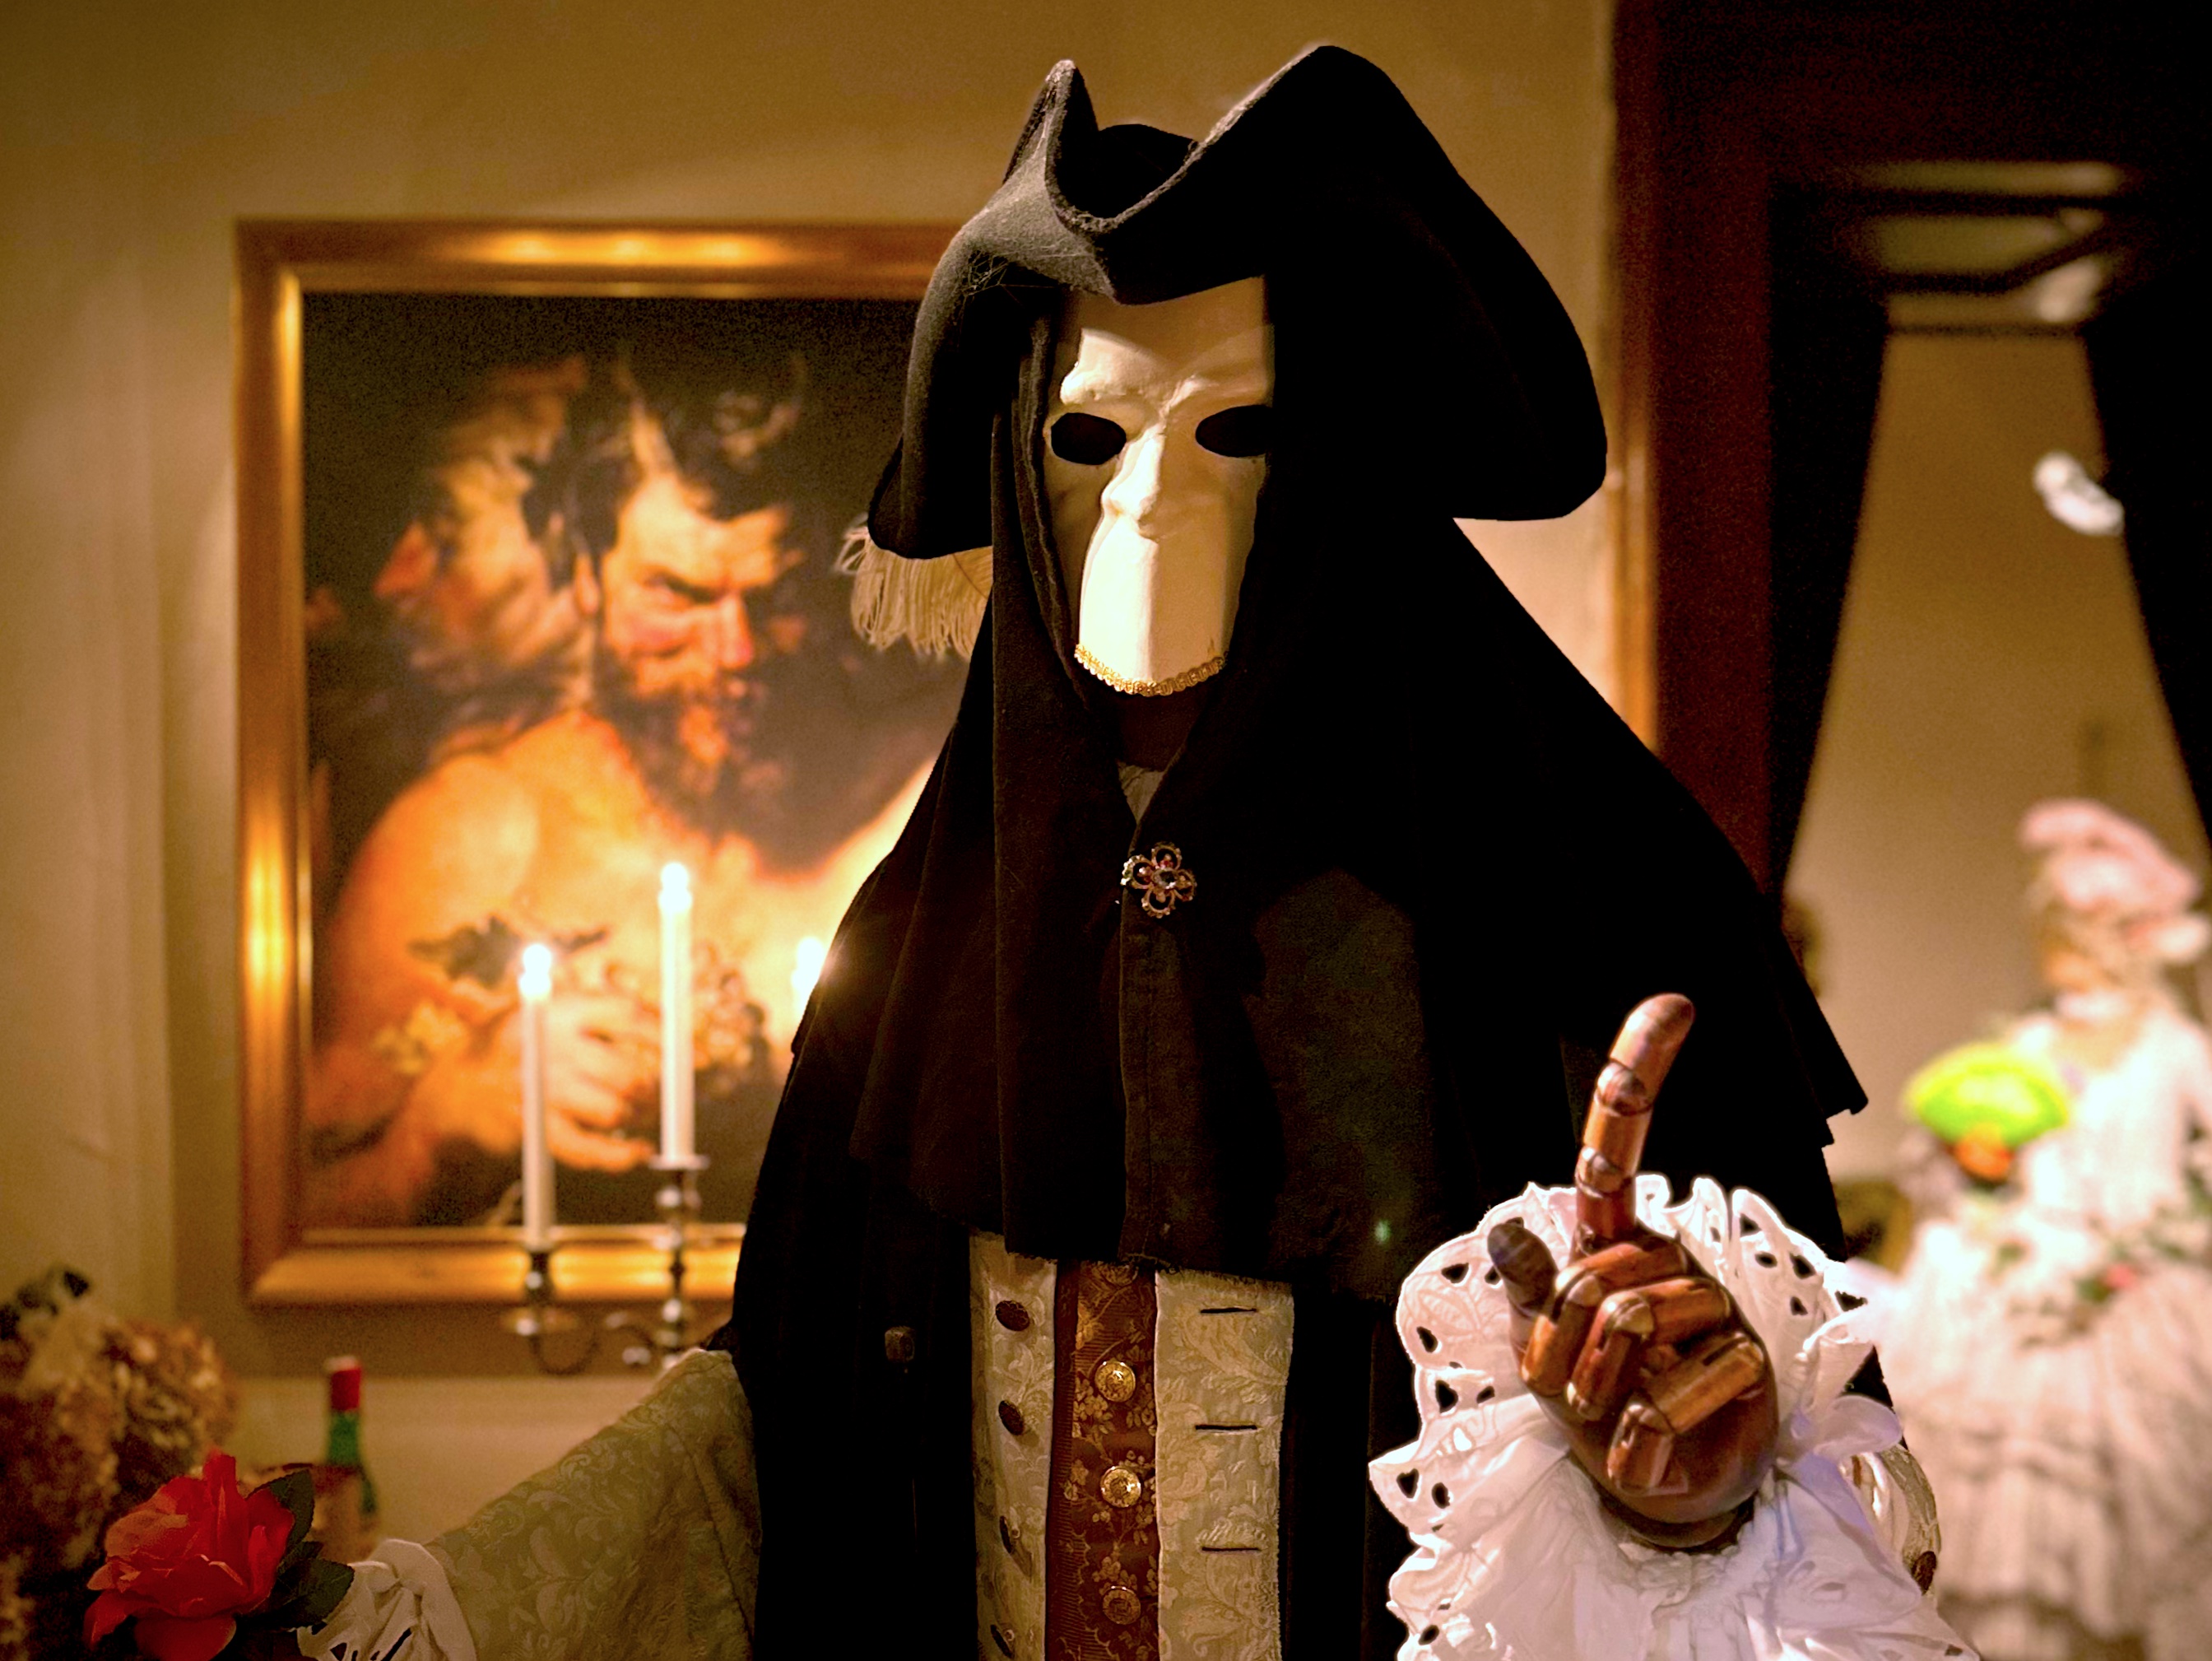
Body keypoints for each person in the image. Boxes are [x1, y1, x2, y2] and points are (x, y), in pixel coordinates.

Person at [718, 47, 1880, 1661]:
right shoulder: (923, 935)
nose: (1149, 503)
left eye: (1239, 428)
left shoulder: (1600, 900)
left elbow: (1812, 1507)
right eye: (1089, 436)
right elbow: (801, 1437)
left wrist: (1694, 1489)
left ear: (1344, 457)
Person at [303, 357, 926, 1228]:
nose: (736, 650)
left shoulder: (909, 799)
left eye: (773, 595)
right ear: (588, 578)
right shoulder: (475, 834)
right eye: (678, 593)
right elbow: (304, 1214)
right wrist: (438, 1127)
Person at [1880, 799, 2212, 1661]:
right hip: (2018, 1260)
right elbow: (1962, 1145)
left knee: (2132, 1479)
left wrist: (2161, 1233)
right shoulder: (2028, 1041)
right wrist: (1973, 1161)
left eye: (2074, 927)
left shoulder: (2175, 1049)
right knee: (1993, 1460)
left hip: (2136, 1276)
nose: (2055, 946)